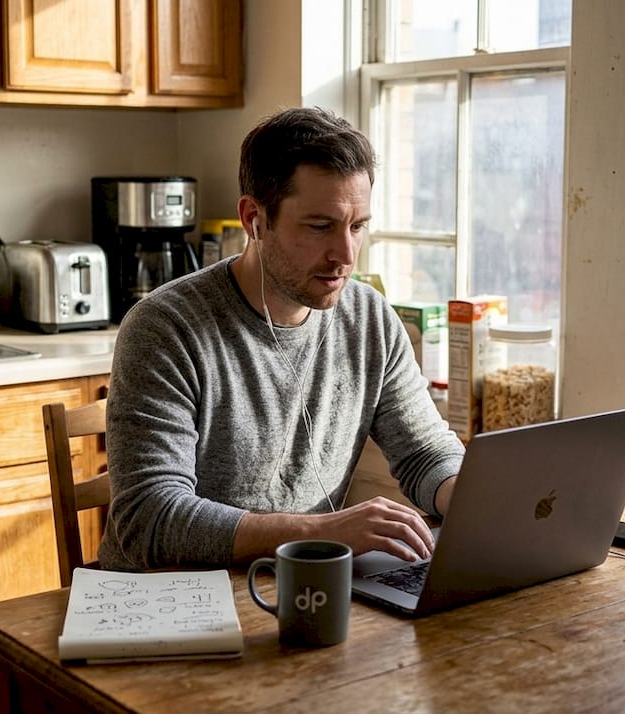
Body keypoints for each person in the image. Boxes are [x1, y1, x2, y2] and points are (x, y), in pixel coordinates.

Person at [98, 107, 464, 571]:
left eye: (357, 227)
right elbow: (149, 518)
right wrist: (323, 533)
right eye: (320, 227)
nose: (345, 255)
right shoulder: (165, 329)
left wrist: (470, 500)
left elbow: (425, 452)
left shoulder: (369, 318)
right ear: (255, 219)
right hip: (166, 608)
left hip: (299, 588)